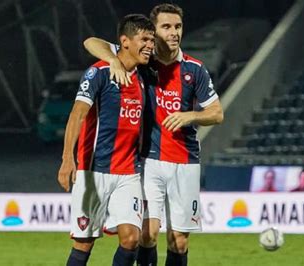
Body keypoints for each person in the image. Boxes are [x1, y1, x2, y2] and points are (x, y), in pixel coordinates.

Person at [83, 4, 224, 266]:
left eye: (178, 27)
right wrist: (113, 59)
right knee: (147, 234)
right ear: (154, 31)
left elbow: (217, 113)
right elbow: (91, 42)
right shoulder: (143, 59)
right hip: (149, 161)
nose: (174, 33)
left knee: (179, 240)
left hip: (185, 161)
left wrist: (190, 116)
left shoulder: (195, 70)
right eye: (166, 27)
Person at [57, 14, 155, 266]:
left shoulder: (143, 76)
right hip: (93, 171)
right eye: (144, 39)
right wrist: (68, 158)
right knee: (83, 244)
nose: (150, 46)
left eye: (152, 40)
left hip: (128, 173)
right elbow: (77, 114)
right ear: (124, 41)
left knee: (132, 239)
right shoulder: (98, 73)